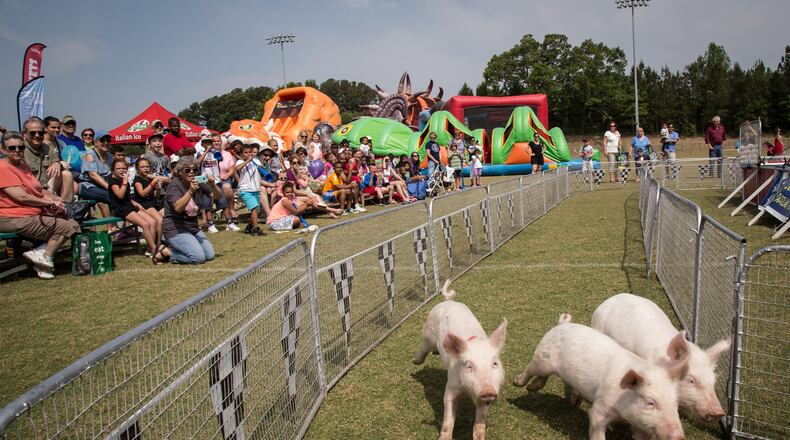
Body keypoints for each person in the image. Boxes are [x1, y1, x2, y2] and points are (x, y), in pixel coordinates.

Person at [0, 131, 80, 279]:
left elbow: (37, 191)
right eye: (12, 148)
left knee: (72, 223)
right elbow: (21, 196)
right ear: (3, 149)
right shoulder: (3, 168)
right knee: (68, 227)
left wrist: (57, 200)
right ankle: (45, 258)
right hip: (11, 217)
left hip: (30, 214)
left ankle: (40, 255)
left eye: (20, 147)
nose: (17, 151)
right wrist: (49, 202)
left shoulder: (23, 166)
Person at [162, 156, 220, 264]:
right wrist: (190, 191)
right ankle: (168, 252)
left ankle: (181, 249)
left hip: (192, 227)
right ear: (180, 172)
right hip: (175, 229)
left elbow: (217, 196)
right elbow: (178, 208)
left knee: (209, 255)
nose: (191, 172)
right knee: (198, 258)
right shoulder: (174, 185)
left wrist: (213, 185)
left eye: (194, 170)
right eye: (187, 170)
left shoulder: (197, 182)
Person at [107, 158, 164, 261]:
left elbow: (127, 197)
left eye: (124, 168)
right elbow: (119, 196)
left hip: (129, 205)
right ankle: (154, 250)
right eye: (118, 168)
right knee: (145, 225)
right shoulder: (113, 181)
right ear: (113, 170)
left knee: (152, 221)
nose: (122, 170)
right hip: (120, 208)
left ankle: (152, 247)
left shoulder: (124, 181)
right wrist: (125, 181)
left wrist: (135, 202)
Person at [22, 117, 74, 201]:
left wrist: (57, 163)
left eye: (40, 133)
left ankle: (66, 207)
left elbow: (56, 160)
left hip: (48, 187)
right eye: (32, 133)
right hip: (30, 190)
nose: (37, 135)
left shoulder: (47, 148)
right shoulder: (20, 151)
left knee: (66, 174)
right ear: (24, 134)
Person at [79, 130, 113, 218]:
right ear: (96, 142)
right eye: (102, 140)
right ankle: (114, 226)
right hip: (88, 186)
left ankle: (119, 226)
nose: (105, 143)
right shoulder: (90, 154)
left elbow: (112, 173)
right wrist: (110, 187)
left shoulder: (109, 155)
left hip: (102, 186)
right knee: (111, 195)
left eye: (108, 140)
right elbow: (93, 175)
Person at [132, 157, 168, 239]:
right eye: (142, 167)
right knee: (160, 220)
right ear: (137, 169)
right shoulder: (137, 180)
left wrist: (158, 189)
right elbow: (142, 194)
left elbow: (156, 195)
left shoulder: (149, 179)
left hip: (154, 202)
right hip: (144, 204)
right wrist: (152, 184)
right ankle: (158, 243)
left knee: (168, 216)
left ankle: (165, 240)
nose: (145, 169)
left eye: (147, 167)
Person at [232, 144, 264, 236]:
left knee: (255, 211)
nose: (248, 154)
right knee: (254, 209)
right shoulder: (239, 162)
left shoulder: (256, 161)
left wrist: (260, 167)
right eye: (245, 153)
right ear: (242, 155)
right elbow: (237, 169)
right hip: (245, 190)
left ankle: (249, 226)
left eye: (250, 152)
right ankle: (255, 229)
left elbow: (262, 169)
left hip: (256, 189)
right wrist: (247, 161)